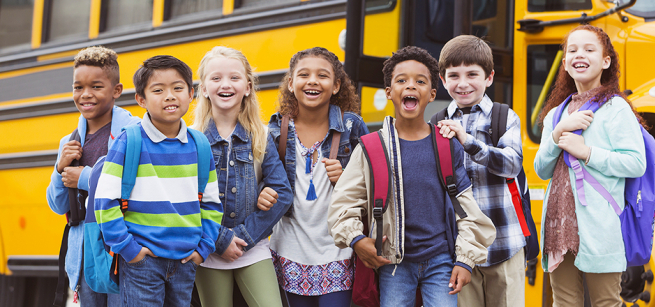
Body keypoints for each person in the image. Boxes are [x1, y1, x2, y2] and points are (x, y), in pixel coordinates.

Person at [329, 46, 496, 307]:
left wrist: (465, 259)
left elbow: (466, 209)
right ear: (388, 93)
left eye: (420, 81)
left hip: (441, 260)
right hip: (393, 264)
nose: (411, 86)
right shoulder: (371, 147)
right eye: (402, 80)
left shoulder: (445, 145)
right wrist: (357, 240)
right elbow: (343, 203)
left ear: (431, 94)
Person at [94, 55, 223, 307]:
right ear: (141, 99)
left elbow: (211, 203)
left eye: (177, 88)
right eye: (158, 90)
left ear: (191, 94)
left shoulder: (200, 145)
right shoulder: (129, 141)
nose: (170, 96)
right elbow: (104, 201)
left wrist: (202, 249)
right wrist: (129, 249)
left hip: (186, 261)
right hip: (143, 261)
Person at [534, 25, 646, 306]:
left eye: (588, 49)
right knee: (564, 302)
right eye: (572, 50)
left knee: (606, 302)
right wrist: (558, 132)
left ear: (606, 61)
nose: (578, 55)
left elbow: (636, 163)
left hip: (600, 228)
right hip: (557, 227)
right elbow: (541, 169)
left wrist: (586, 152)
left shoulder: (615, 108)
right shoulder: (556, 114)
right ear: (565, 64)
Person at [191, 46, 292, 307]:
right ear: (203, 88)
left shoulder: (261, 135)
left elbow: (282, 194)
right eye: (216, 78)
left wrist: (243, 238)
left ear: (248, 86)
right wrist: (220, 239)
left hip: (252, 247)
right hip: (209, 248)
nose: (226, 84)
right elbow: (185, 199)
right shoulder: (191, 140)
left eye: (234, 78)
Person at [267, 47, 369, 307]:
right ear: (291, 83)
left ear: (336, 86)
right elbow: (258, 180)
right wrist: (262, 192)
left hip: (338, 249)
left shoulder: (352, 127)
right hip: (289, 248)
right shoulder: (274, 131)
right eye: (304, 75)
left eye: (322, 76)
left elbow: (375, 184)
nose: (312, 80)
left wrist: (345, 178)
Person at [434, 35, 525, 307]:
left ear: (489, 77)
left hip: (505, 242)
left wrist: (468, 142)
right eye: (454, 75)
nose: (463, 83)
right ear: (442, 80)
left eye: (472, 74)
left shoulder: (504, 116)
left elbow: (512, 164)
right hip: (459, 251)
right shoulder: (436, 122)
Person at [46, 46, 139, 306]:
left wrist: (85, 177)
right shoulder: (70, 141)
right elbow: (58, 205)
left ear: (116, 91)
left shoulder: (133, 132)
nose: (85, 95)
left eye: (96, 87)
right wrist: (59, 169)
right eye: (78, 87)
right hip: (86, 252)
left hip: (123, 248)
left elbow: (136, 185)